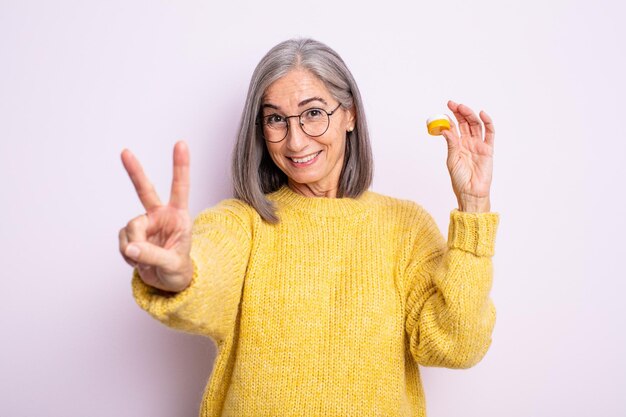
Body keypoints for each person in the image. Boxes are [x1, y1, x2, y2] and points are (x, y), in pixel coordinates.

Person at [118, 38, 500, 417]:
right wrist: (180, 271)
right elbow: (207, 273)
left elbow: (455, 345)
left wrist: (474, 207)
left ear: (349, 113)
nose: (296, 140)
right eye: (275, 119)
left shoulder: (405, 226)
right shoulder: (244, 222)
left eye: (313, 113)